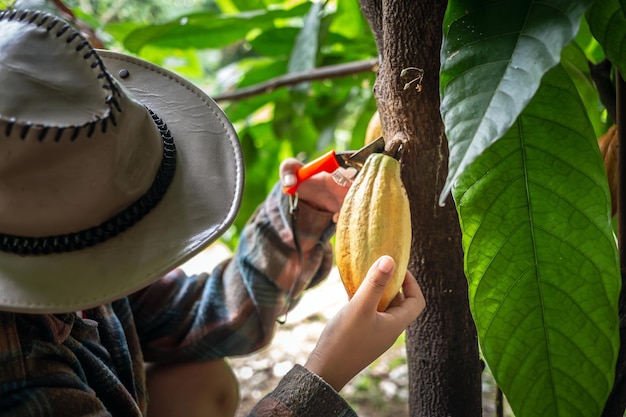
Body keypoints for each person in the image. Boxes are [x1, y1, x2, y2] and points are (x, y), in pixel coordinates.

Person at [0, 8, 426, 417]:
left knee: (203, 383)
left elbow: (208, 313)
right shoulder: (19, 383)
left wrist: (302, 216)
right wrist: (323, 373)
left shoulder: (72, 255)